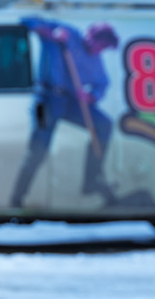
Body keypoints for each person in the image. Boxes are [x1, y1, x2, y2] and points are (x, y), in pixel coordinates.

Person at [10, 17, 119, 208]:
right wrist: (52, 35)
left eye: (103, 49)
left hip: (71, 102)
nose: (98, 51)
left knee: (104, 124)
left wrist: (91, 96)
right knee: (38, 147)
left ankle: (91, 180)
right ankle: (17, 198)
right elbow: (27, 20)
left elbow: (102, 84)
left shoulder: (95, 60)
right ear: (91, 36)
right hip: (46, 99)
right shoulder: (68, 33)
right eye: (99, 46)